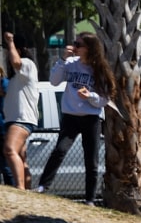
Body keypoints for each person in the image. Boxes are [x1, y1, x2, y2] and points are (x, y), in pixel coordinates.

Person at [36, 33, 114, 205]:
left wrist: (90, 96)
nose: (74, 47)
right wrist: (62, 60)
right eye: (75, 43)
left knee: (91, 159)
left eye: (78, 44)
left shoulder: (99, 69)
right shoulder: (70, 64)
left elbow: (104, 99)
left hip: (91, 118)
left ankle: (90, 199)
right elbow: (54, 82)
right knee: (59, 150)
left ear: (89, 48)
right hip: (70, 117)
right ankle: (42, 186)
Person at [3, 33, 38, 190]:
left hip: (22, 119)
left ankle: (20, 189)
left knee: (10, 150)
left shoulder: (26, 64)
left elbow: (16, 62)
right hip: (15, 120)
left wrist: (10, 42)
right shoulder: (16, 78)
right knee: (21, 157)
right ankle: (27, 191)